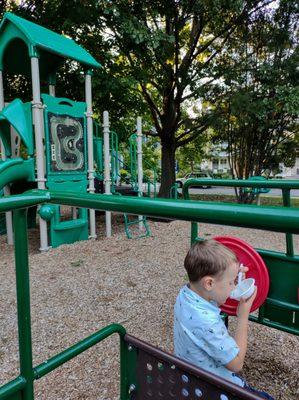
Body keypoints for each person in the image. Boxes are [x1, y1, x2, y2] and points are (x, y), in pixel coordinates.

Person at [174, 239, 274, 399]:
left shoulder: (185, 295)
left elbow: (214, 293)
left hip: (188, 380)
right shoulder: (207, 323)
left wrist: (233, 275)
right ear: (209, 283)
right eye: (231, 283)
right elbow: (236, 364)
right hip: (212, 389)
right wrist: (243, 316)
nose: (234, 287)